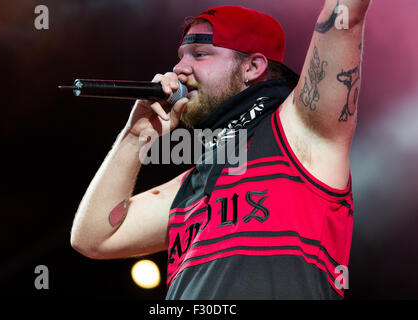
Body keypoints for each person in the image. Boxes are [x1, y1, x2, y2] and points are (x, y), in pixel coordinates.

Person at [70, 2, 371, 299]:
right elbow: (93, 238)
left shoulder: (301, 131)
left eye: (200, 55)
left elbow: (345, 17)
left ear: (252, 67)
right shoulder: (193, 183)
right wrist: (135, 136)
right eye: (181, 57)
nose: (179, 68)